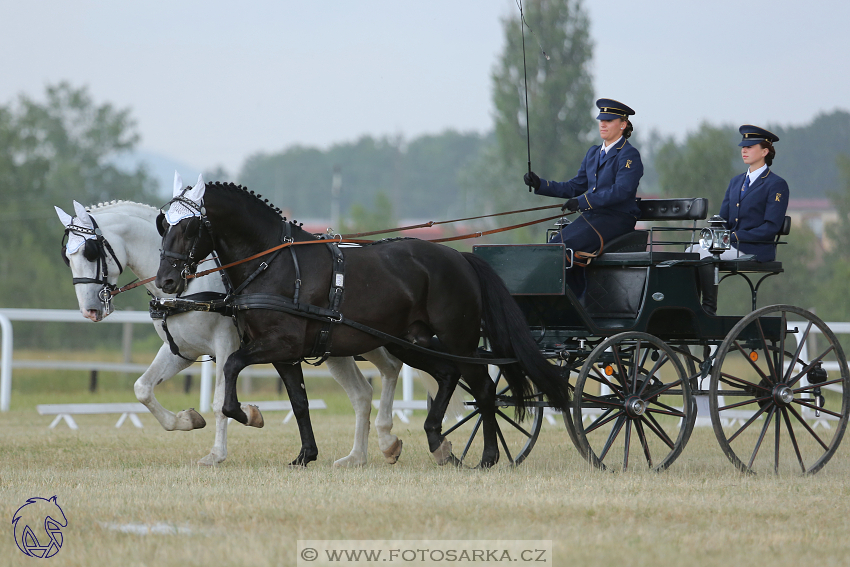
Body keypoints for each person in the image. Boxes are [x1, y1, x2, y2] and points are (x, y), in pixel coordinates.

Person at [523, 98, 643, 295]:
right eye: (601, 120)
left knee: (564, 249)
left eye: (609, 120)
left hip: (616, 219)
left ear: (623, 125)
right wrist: (541, 184)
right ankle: (565, 300)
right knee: (552, 249)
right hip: (593, 218)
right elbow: (574, 186)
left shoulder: (629, 155)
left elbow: (622, 191)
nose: (602, 124)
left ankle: (576, 298)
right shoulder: (594, 153)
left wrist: (582, 202)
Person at [697, 125, 790, 315]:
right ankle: (688, 308)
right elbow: (723, 219)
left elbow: (770, 227)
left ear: (765, 151)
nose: (744, 150)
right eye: (743, 147)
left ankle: (707, 311)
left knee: (703, 256)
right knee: (689, 253)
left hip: (754, 248)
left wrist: (734, 237)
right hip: (729, 245)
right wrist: (715, 234)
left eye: (750, 147)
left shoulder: (776, 185)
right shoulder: (736, 182)